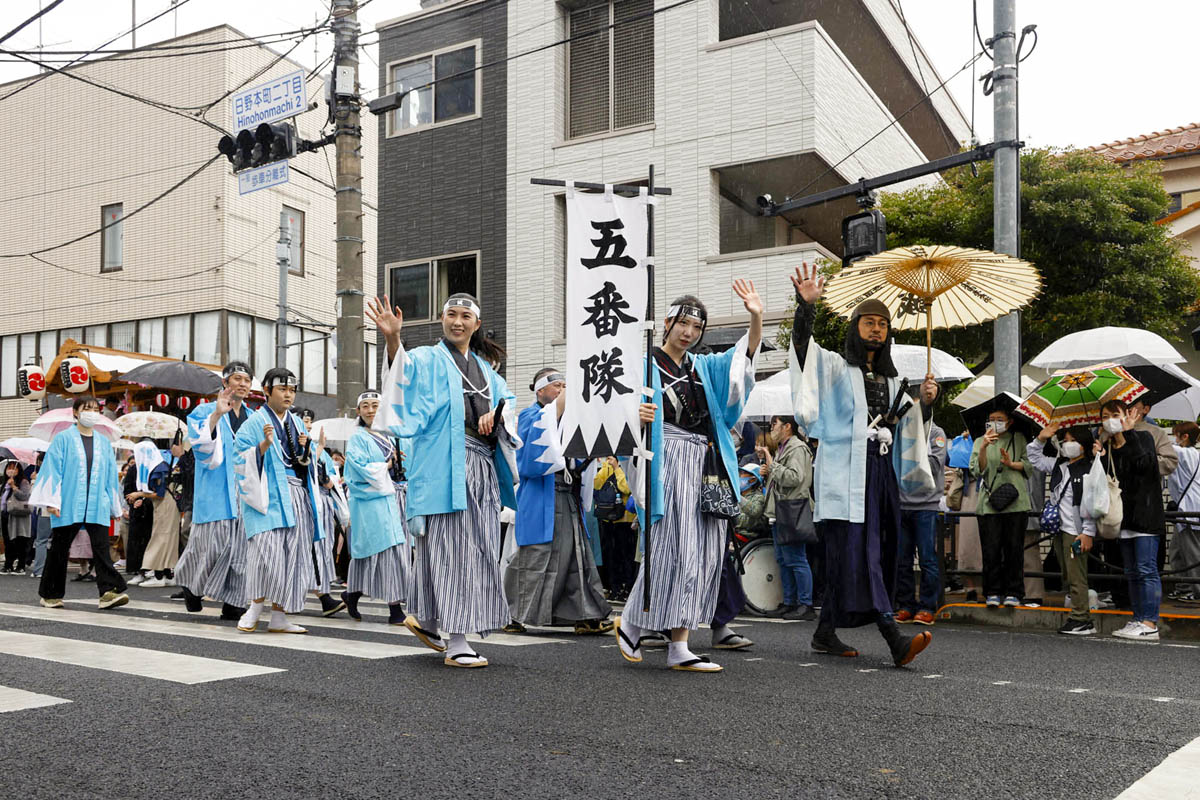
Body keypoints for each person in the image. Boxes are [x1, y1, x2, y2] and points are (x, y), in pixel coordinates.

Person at [788, 263, 937, 667]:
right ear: (855, 327)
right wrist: (807, 309)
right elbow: (804, 354)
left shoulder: (893, 381)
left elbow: (907, 428)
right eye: (869, 323)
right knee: (862, 553)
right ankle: (894, 638)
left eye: (883, 325)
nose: (876, 330)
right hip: (843, 474)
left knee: (868, 552)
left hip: (880, 474)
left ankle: (824, 633)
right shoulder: (837, 368)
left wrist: (925, 402)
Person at [614, 280, 763, 674]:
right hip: (667, 457)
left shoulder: (702, 366)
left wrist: (756, 316)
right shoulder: (641, 364)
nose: (689, 333)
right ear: (666, 323)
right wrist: (636, 415)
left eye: (697, 328)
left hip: (704, 463)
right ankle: (633, 621)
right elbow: (615, 413)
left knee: (704, 553)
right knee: (672, 547)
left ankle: (680, 643)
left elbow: (741, 362)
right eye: (683, 324)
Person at [367, 292, 516, 669]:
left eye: (466, 316)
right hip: (444, 466)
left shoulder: (487, 371)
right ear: (442, 318)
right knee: (453, 551)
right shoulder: (426, 359)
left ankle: (431, 619)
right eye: (452, 314)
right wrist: (392, 339)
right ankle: (458, 639)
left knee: (475, 547)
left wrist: (497, 417)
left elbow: (508, 406)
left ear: (476, 324)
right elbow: (401, 379)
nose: (458, 322)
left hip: (480, 467)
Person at [506, 368, 612, 635]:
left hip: (567, 494)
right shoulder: (531, 416)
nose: (562, 391)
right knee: (536, 554)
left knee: (576, 555)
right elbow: (529, 458)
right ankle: (511, 613)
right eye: (557, 386)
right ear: (540, 390)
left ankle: (585, 614)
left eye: (565, 386)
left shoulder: (569, 419)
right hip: (542, 493)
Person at [232, 368, 326, 635]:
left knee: (292, 555)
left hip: (295, 494)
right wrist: (261, 447)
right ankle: (254, 607)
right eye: (282, 389)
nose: (288, 394)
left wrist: (307, 449)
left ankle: (280, 615)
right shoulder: (252, 423)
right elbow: (239, 460)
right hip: (266, 496)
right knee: (264, 553)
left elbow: (303, 464)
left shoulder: (296, 423)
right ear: (266, 391)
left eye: (292, 390)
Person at [28, 396, 129, 610]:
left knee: (101, 548)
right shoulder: (63, 439)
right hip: (68, 503)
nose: (92, 412)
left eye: (95, 408)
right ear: (75, 412)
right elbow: (52, 471)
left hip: (97, 503)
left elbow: (110, 475)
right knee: (60, 549)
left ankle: (109, 592)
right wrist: (51, 501)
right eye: (87, 408)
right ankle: (50, 593)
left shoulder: (103, 442)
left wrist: (114, 505)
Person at [177, 361, 254, 620]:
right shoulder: (205, 410)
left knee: (243, 547)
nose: (242, 384)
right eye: (237, 379)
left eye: (246, 380)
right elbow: (200, 448)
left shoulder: (254, 417)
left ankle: (235, 601)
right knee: (212, 545)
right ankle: (191, 584)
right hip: (216, 489)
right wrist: (217, 416)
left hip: (245, 492)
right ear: (225, 383)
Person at [1096, 401, 1163, 641]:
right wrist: (1099, 457)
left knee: (1147, 570)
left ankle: (1150, 622)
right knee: (1132, 572)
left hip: (1146, 517)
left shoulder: (1143, 437)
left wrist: (1129, 434)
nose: (1111, 419)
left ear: (1127, 416)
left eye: (1116, 414)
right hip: (1123, 518)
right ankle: (1137, 619)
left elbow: (1145, 466)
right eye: (1105, 416)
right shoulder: (1108, 447)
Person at [341, 391, 409, 625]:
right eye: (366, 406)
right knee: (385, 551)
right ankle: (395, 609)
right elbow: (357, 470)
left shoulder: (391, 436)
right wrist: (387, 464)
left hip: (394, 499)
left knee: (388, 550)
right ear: (358, 411)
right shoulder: (358, 438)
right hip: (371, 501)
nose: (371, 410)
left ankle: (353, 593)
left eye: (375, 405)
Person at [1028, 424, 1097, 635]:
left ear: (1083, 445)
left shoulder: (1090, 468)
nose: (1067, 445)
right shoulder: (1060, 465)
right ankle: (1078, 615)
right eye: (1065, 441)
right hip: (1060, 530)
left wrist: (1088, 532)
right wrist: (1041, 438)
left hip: (1076, 531)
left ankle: (1081, 619)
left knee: (1077, 575)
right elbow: (1034, 458)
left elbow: (1092, 503)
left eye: (1071, 441)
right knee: (1068, 574)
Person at [971, 406, 1033, 609]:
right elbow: (976, 470)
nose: (994, 422)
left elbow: (1029, 468)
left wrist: (1011, 463)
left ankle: (1014, 592)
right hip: (989, 504)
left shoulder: (1019, 439)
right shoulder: (980, 440)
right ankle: (992, 592)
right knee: (991, 550)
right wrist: (983, 448)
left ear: (1009, 421)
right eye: (991, 419)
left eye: (999, 418)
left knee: (1014, 549)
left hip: (1016, 503)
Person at [761, 415, 816, 621]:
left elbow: (795, 478)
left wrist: (772, 465)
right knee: (783, 560)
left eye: (774, 424)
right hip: (781, 511)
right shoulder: (784, 448)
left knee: (796, 559)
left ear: (787, 426)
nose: (771, 428)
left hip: (793, 509)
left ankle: (805, 603)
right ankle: (790, 602)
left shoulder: (797, 448)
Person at [895, 420, 948, 626]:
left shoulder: (936, 432)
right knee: (902, 560)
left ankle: (927, 606)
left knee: (927, 559)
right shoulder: (900, 432)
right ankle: (906, 605)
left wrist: (912, 450)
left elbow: (934, 465)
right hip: (901, 505)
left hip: (926, 506)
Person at [129, 440, 180, 588]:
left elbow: (159, 494)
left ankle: (158, 576)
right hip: (167, 506)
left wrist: (139, 494)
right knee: (168, 538)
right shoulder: (160, 466)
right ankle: (168, 574)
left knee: (160, 537)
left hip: (166, 506)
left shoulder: (158, 469)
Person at [593, 456, 638, 601]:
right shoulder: (607, 463)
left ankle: (627, 587)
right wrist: (607, 467)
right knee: (612, 556)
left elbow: (626, 487)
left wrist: (617, 469)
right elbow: (597, 484)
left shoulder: (628, 463)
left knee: (627, 557)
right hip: (609, 517)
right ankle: (615, 587)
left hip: (626, 519)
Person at [1167, 422, 1200, 602]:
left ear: (1185, 436)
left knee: (1193, 552)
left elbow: (1163, 447)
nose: (1174, 438)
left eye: (1176, 434)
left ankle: (1197, 591)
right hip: (1183, 510)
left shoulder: (1187, 453)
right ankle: (1183, 586)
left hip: (1189, 510)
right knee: (1177, 551)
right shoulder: (1193, 454)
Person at [1, 460, 32, 574]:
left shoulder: (23, 482)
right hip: (6, 515)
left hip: (18, 515)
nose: (11, 470)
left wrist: (14, 486)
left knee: (20, 540)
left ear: (19, 470)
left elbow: (25, 496)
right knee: (8, 540)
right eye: (9, 467)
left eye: (14, 468)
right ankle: (8, 565)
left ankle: (21, 565)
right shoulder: (5, 483)